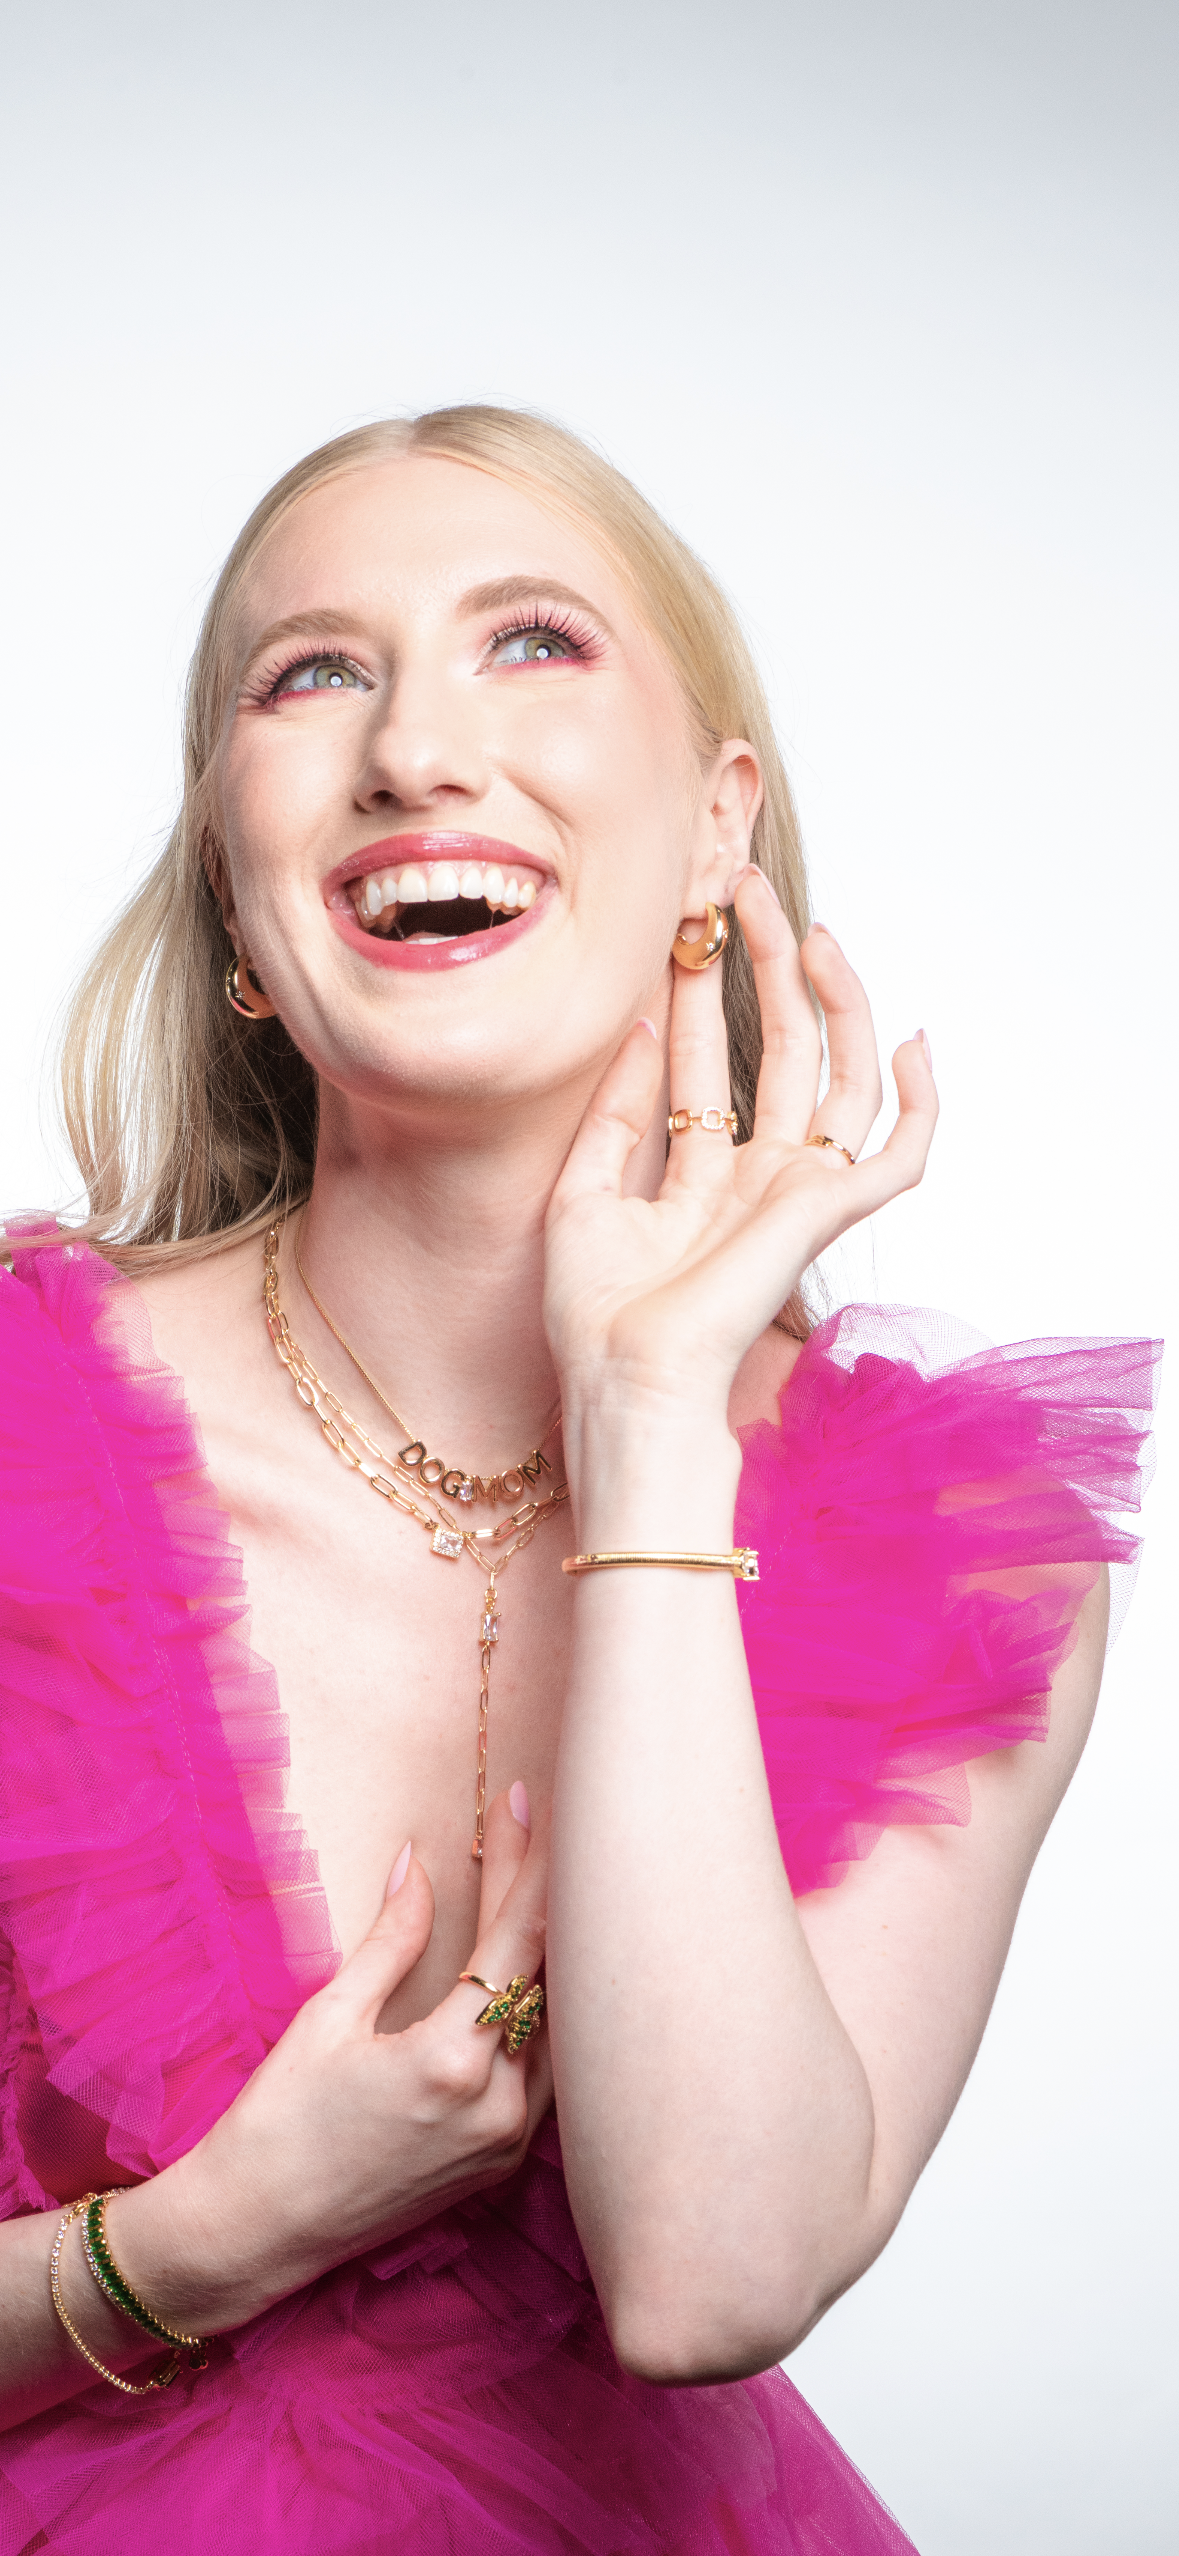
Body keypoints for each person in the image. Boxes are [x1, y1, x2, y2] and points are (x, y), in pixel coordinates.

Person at [0, 407, 1157, 2556]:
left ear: (717, 828)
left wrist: (646, 1425)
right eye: (309, 674)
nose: (417, 750)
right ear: (244, 899)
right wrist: (203, 2241)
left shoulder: (966, 1555)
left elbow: (714, 2277)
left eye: (527, 641)